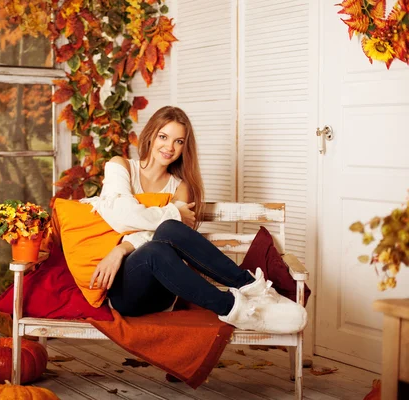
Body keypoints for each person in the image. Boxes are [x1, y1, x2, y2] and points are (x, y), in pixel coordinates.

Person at [82, 106, 307, 334]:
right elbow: (123, 217)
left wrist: (123, 247)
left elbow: (161, 233)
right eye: (163, 137)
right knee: (157, 246)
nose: (169, 147)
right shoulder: (120, 166)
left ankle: (252, 288)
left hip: (164, 290)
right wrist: (173, 213)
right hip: (125, 291)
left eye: (178, 141)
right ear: (150, 135)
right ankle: (234, 309)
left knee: (168, 233)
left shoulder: (181, 187)